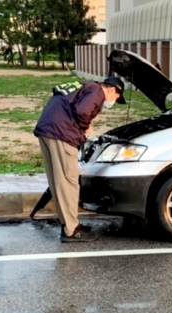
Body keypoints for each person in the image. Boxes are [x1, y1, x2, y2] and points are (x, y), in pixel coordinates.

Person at [34, 75, 125, 242]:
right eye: (116, 97)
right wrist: (85, 127)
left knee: (58, 181)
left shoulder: (85, 85)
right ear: (112, 89)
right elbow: (82, 111)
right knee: (69, 182)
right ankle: (71, 230)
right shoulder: (97, 91)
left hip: (47, 129)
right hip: (61, 133)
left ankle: (69, 224)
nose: (114, 101)